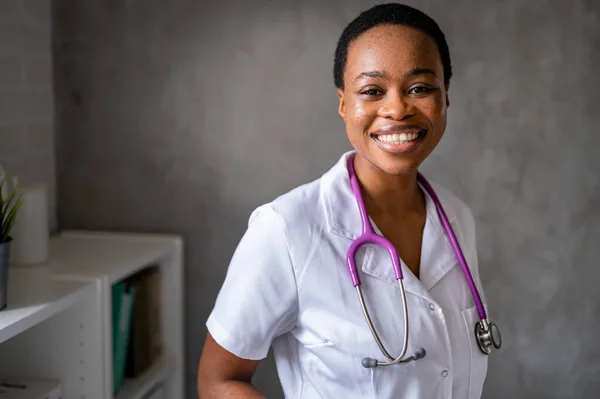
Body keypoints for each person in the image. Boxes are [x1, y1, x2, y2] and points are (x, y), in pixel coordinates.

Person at [197, 3, 491, 398]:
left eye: (419, 88)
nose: (397, 108)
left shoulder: (457, 218)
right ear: (343, 104)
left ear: (445, 99)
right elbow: (219, 379)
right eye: (372, 91)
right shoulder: (287, 229)